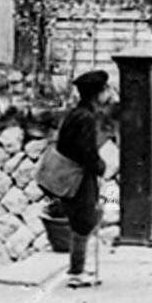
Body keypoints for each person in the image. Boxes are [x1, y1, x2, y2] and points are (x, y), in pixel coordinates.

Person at [54, 69, 113, 287]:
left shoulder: (75, 114)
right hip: (80, 176)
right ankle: (77, 271)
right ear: (98, 93)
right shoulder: (87, 118)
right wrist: (101, 167)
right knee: (84, 220)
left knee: (81, 220)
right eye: (105, 89)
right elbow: (86, 151)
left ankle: (79, 268)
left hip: (70, 173)